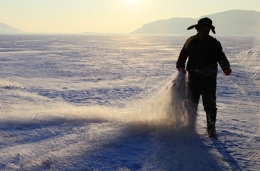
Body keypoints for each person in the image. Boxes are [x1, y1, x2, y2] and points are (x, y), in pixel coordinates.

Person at [176, 17, 232, 138]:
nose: (205, 31)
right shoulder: (190, 41)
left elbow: (221, 56)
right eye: (203, 28)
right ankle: (190, 125)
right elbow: (183, 54)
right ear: (198, 28)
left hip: (209, 79)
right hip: (193, 77)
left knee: (210, 104)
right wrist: (180, 65)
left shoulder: (213, 43)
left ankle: (211, 130)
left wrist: (225, 67)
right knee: (191, 102)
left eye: (208, 29)